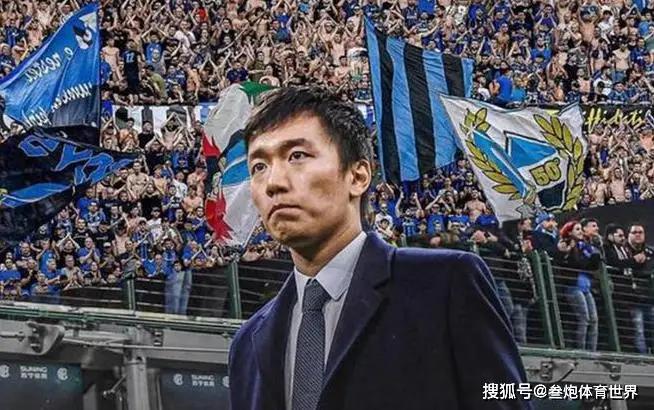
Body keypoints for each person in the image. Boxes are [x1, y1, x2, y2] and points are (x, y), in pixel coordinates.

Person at [229, 87, 530, 410]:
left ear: (358, 176)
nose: (273, 182)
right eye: (258, 166)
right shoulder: (247, 343)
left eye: (297, 156)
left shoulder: (446, 284)